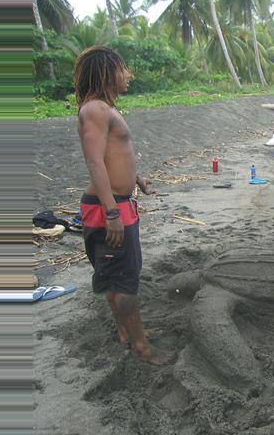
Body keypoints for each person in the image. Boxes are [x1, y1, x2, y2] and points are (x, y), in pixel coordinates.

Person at [74, 46, 171, 365]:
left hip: (117, 202)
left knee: (118, 276)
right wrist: (112, 212)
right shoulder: (95, 111)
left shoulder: (104, 109)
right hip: (109, 208)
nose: (128, 75)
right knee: (126, 280)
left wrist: (137, 179)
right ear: (106, 72)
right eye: (122, 69)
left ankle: (126, 331)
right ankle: (141, 346)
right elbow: (94, 162)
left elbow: (112, 157)